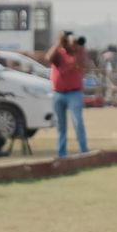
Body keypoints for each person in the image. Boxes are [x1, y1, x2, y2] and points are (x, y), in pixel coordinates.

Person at [44, 29, 89, 158]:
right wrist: (58, 43)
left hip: (74, 93)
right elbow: (48, 58)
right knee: (61, 125)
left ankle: (84, 150)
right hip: (58, 93)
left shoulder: (78, 52)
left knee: (77, 122)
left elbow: (81, 63)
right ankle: (61, 153)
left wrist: (77, 48)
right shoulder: (58, 53)